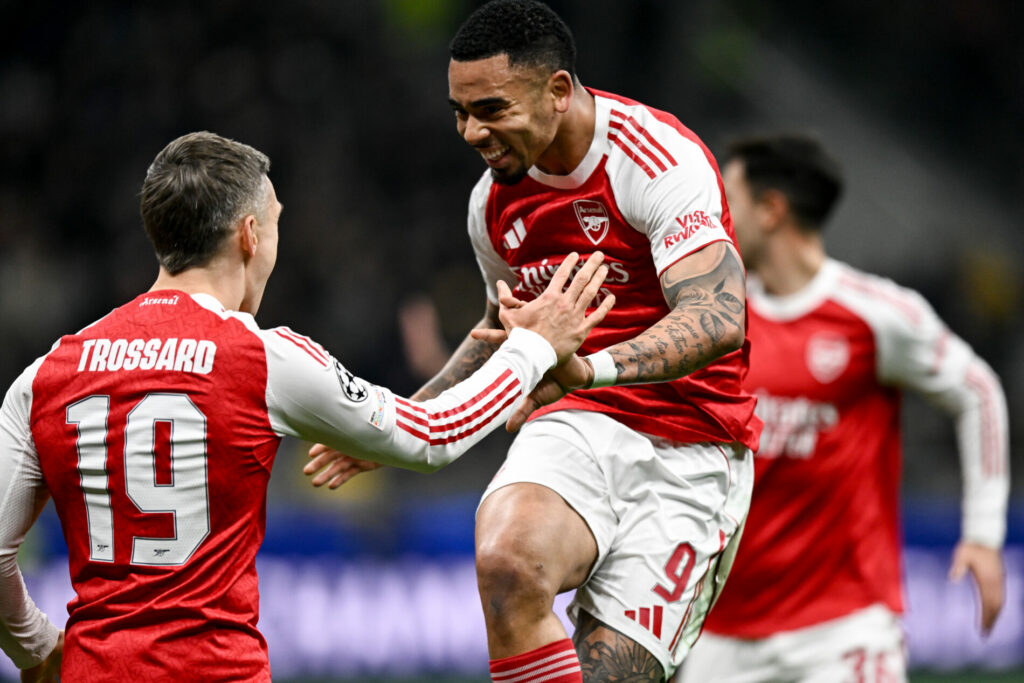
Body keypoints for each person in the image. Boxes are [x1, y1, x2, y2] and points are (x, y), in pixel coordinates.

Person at [0, 131, 616, 682]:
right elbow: (431, 435)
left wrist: (37, 648)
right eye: (274, 224)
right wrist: (534, 347)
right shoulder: (260, 357)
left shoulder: (46, 374)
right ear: (250, 235)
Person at [305, 2, 762, 680]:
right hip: (575, 424)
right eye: (460, 112)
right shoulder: (491, 205)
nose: (472, 132)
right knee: (506, 563)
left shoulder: (656, 158)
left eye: (491, 109)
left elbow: (719, 316)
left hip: (689, 448)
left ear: (558, 91)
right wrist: (401, 423)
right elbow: (502, 334)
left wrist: (589, 368)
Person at [679, 134, 1010, 682]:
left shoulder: (874, 314)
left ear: (771, 210)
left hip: (842, 628)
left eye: (728, 200)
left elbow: (978, 392)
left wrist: (983, 533)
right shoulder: (714, 323)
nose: (715, 218)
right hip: (723, 631)